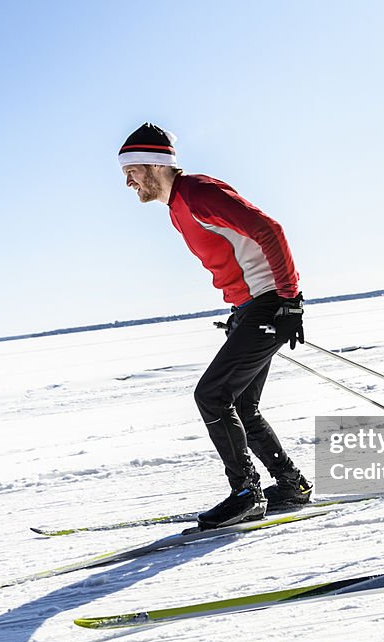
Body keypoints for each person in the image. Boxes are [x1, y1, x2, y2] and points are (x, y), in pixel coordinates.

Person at [119, 122, 312, 529]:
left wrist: (289, 299)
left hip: (271, 303)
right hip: (254, 308)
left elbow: (269, 230)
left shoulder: (199, 192)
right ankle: (291, 485)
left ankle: (246, 493)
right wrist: (241, 312)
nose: (128, 182)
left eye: (131, 171)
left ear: (155, 164)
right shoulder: (177, 209)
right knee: (241, 404)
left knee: (211, 395)